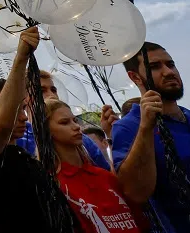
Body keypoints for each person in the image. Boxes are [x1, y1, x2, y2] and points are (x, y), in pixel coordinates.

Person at [0, 27, 54, 233]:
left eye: (23, 109)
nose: (23, 117)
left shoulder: (27, 158)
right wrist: (21, 58)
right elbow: (2, 126)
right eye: (13, 109)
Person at [113, 42, 190, 233]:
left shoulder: (187, 116)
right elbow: (135, 192)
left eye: (170, 64)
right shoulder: (129, 127)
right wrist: (146, 127)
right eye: (155, 67)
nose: (168, 72)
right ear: (135, 77)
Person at [46, 98, 142, 233]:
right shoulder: (53, 185)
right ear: (46, 131)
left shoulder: (104, 176)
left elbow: (139, 221)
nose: (76, 126)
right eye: (64, 122)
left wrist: (110, 134)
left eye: (74, 120)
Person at [17, 69, 112, 170]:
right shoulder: (19, 139)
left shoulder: (82, 140)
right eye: (42, 91)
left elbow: (106, 176)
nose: (51, 95)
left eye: (53, 90)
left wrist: (111, 134)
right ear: (25, 97)